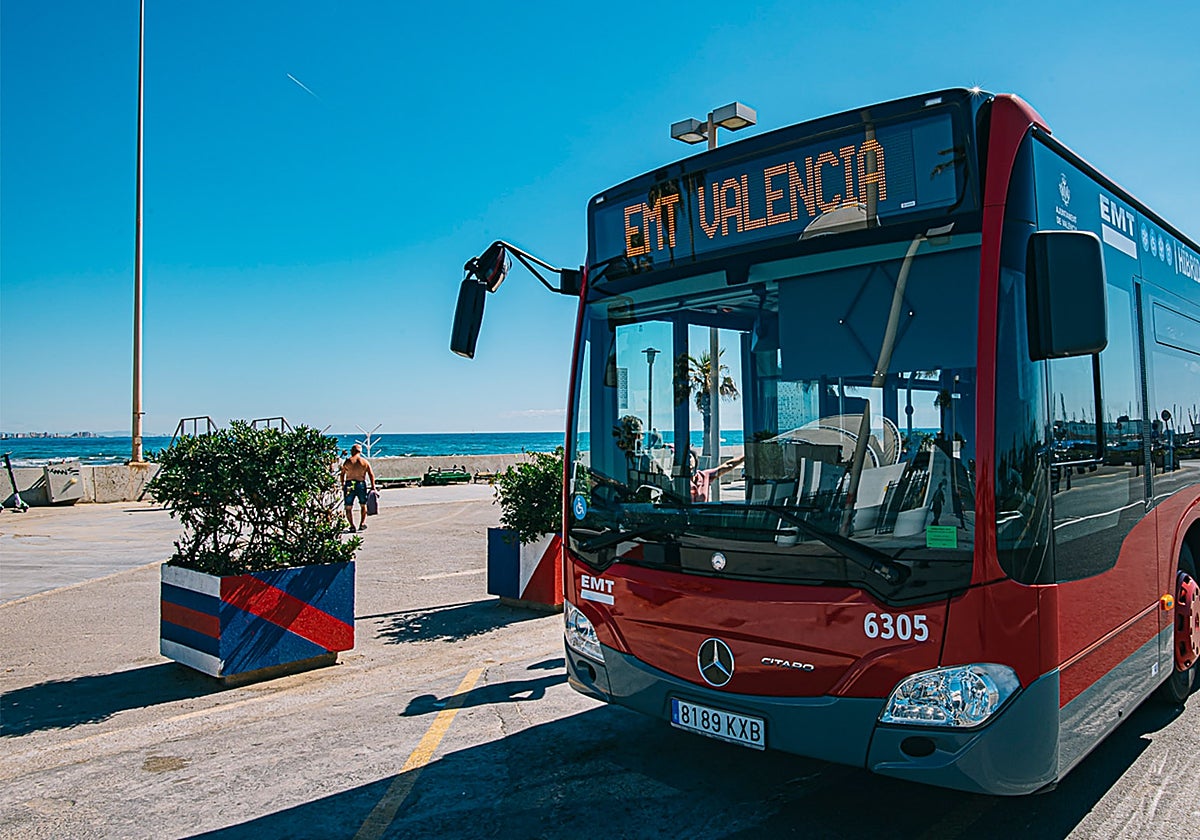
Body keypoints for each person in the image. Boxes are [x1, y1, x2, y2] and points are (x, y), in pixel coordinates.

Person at [340, 444, 376, 533]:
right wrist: (373, 486)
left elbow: (342, 474)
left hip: (349, 484)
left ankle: (352, 526)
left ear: (353, 451)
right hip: (361, 484)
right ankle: (362, 523)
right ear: (360, 451)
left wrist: (342, 484)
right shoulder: (364, 462)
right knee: (363, 505)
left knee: (348, 507)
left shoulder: (348, 461)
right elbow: (371, 475)